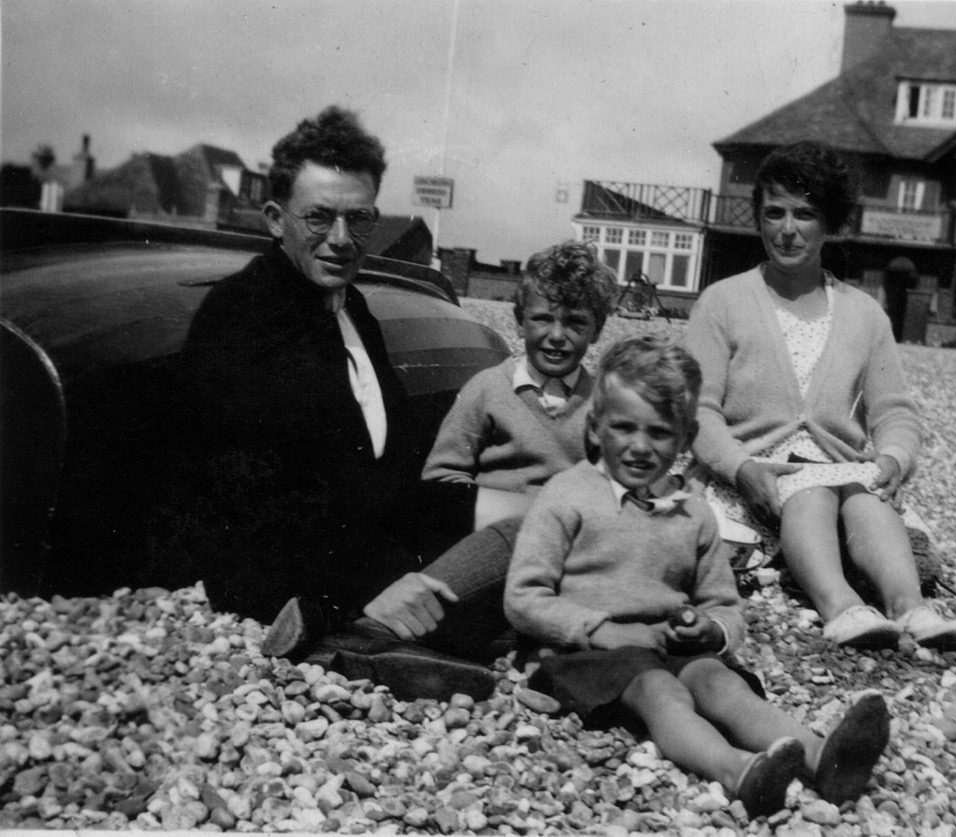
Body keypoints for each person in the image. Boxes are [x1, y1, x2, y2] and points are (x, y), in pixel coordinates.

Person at [170, 106, 519, 698]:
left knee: (552, 514)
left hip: (370, 544)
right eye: (319, 218)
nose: (340, 240)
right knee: (512, 614)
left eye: (358, 220)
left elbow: (391, 475)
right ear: (277, 220)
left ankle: (378, 634)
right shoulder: (239, 319)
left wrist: (497, 502)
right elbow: (255, 505)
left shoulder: (353, 309)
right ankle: (360, 633)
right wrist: (382, 579)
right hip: (289, 572)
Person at [504, 335, 890, 819]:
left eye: (660, 433)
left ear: (686, 440)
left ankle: (821, 756)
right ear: (596, 427)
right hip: (581, 653)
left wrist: (712, 629)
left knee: (720, 683)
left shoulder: (695, 513)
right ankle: (736, 769)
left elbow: (724, 604)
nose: (640, 447)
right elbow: (522, 597)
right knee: (660, 691)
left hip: (668, 646)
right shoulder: (568, 495)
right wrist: (601, 629)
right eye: (623, 428)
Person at [682, 140, 956, 652]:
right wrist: (741, 468)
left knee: (868, 500)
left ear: (830, 223)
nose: (787, 229)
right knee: (811, 490)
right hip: (754, 474)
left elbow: (895, 412)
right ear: (758, 219)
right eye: (774, 213)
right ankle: (840, 608)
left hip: (841, 472)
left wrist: (893, 459)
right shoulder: (722, 302)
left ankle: (911, 609)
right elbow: (697, 410)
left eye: (805, 214)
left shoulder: (864, 314)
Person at [421, 240, 616, 504]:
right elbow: (442, 475)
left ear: (598, 329)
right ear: (520, 322)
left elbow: (614, 484)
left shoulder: (601, 404)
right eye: (543, 319)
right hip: (492, 530)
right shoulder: (486, 390)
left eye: (575, 322)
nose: (557, 336)